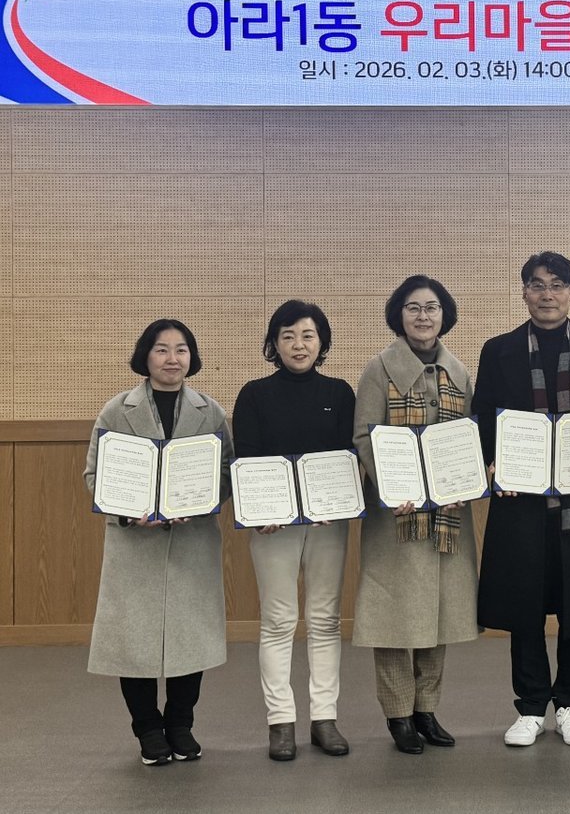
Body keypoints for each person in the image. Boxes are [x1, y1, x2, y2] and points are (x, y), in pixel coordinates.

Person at [473, 251, 570, 748]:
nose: (547, 294)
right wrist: (493, 462)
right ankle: (531, 706)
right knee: (524, 604)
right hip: (521, 500)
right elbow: (484, 417)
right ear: (524, 293)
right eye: (537, 284)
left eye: (557, 285)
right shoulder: (498, 350)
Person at [83, 319, 233, 766]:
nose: (172, 359)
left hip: (192, 542)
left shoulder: (211, 411)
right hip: (135, 544)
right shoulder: (117, 410)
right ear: (145, 357)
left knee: (191, 638)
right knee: (135, 641)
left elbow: (226, 472)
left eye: (181, 349)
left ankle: (181, 725)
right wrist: (128, 512)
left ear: (192, 357)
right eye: (162, 349)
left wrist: (200, 502)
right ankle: (148, 729)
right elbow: (95, 475)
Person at [353, 277, 479, 755]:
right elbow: (364, 437)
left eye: (431, 308)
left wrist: (462, 484)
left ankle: (427, 709)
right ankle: (398, 715)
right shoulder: (378, 369)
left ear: (445, 315)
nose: (423, 317)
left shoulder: (458, 372)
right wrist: (395, 486)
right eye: (413, 308)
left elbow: (469, 438)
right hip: (397, 518)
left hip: (447, 517)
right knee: (393, 616)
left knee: (438, 614)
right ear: (398, 315)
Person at [233, 300, 356, 761]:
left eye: (307, 335)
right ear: (274, 344)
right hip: (273, 527)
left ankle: (325, 719)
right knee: (278, 620)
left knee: (324, 619)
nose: (298, 345)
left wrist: (336, 501)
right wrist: (261, 509)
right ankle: (280, 722)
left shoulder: (340, 393)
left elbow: (347, 457)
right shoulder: (254, 395)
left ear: (321, 343)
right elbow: (246, 458)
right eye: (287, 336)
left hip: (328, 524)